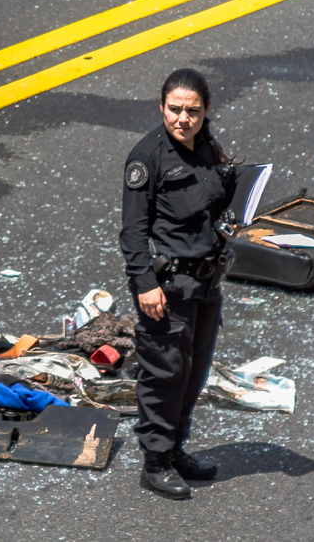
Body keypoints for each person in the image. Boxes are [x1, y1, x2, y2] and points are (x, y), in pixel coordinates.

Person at [120, 67, 236, 500]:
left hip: (206, 283)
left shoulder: (209, 147)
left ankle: (175, 448)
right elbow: (132, 232)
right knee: (164, 375)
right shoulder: (146, 158)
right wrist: (145, 283)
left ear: (206, 111)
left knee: (193, 372)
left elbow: (217, 203)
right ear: (161, 107)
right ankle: (155, 462)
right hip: (167, 287)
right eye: (174, 110)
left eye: (193, 111)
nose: (183, 119)